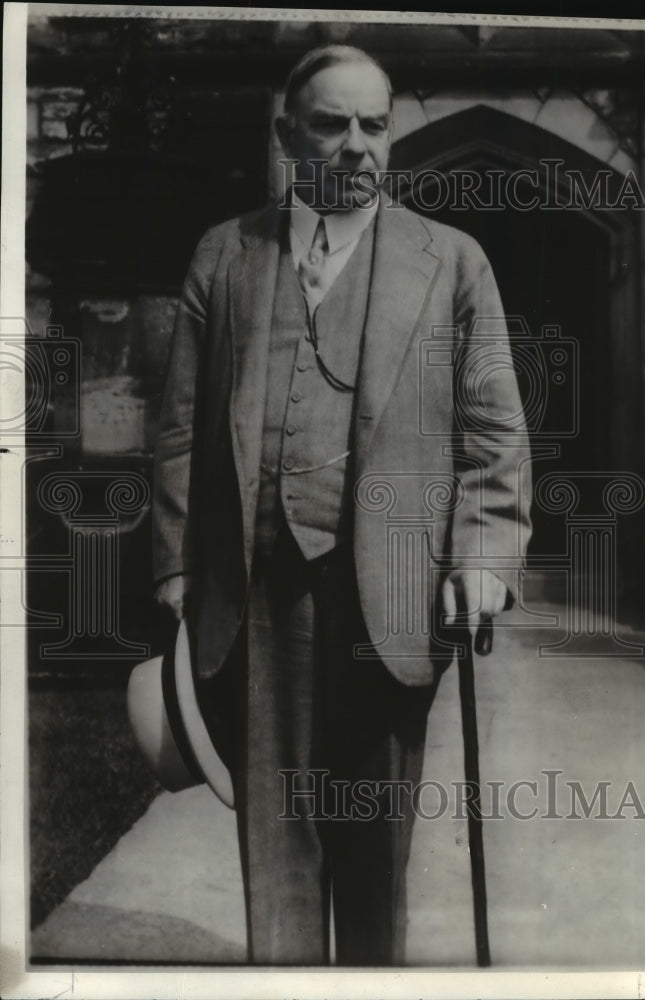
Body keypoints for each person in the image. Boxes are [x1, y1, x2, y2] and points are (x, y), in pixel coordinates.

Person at [152, 43, 531, 966]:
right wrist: (172, 568)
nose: (357, 145)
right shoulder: (227, 255)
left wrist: (481, 559)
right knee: (277, 846)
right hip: (255, 597)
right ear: (289, 135)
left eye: (374, 124)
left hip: (393, 600)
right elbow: (177, 430)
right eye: (332, 123)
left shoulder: (452, 263)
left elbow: (494, 433)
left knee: (373, 851)